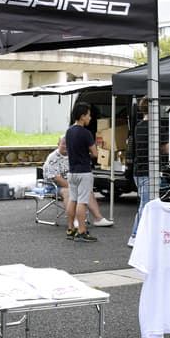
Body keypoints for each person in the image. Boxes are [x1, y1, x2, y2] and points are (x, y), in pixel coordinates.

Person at [42, 136, 113, 229]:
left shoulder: (74, 155)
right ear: (58, 144)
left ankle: (98, 219)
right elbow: (57, 178)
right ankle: (75, 220)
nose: (66, 146)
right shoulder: (53, 158)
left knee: (87, 190)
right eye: (63, 144)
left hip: (72, 182)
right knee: (68, 192)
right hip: (54, 186)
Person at [128, 97, 166, 247]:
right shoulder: (156, 127)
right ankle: (134, 235)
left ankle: (146, 236)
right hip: (149, 172)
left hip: (139, 171)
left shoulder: (138, 126)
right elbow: (165, 149)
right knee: (145, 205)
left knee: (147, 204)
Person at [64, 101, 100, 242]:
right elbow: (95, 153)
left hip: (72, 171)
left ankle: (71, 228)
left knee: (72, 199)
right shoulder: (86, 133)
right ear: (82, 116)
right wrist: (88, 154)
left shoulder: (69, 131)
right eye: (88, 115)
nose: (90, 118)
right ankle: (82, 231)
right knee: (82, 202)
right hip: (84, 171)